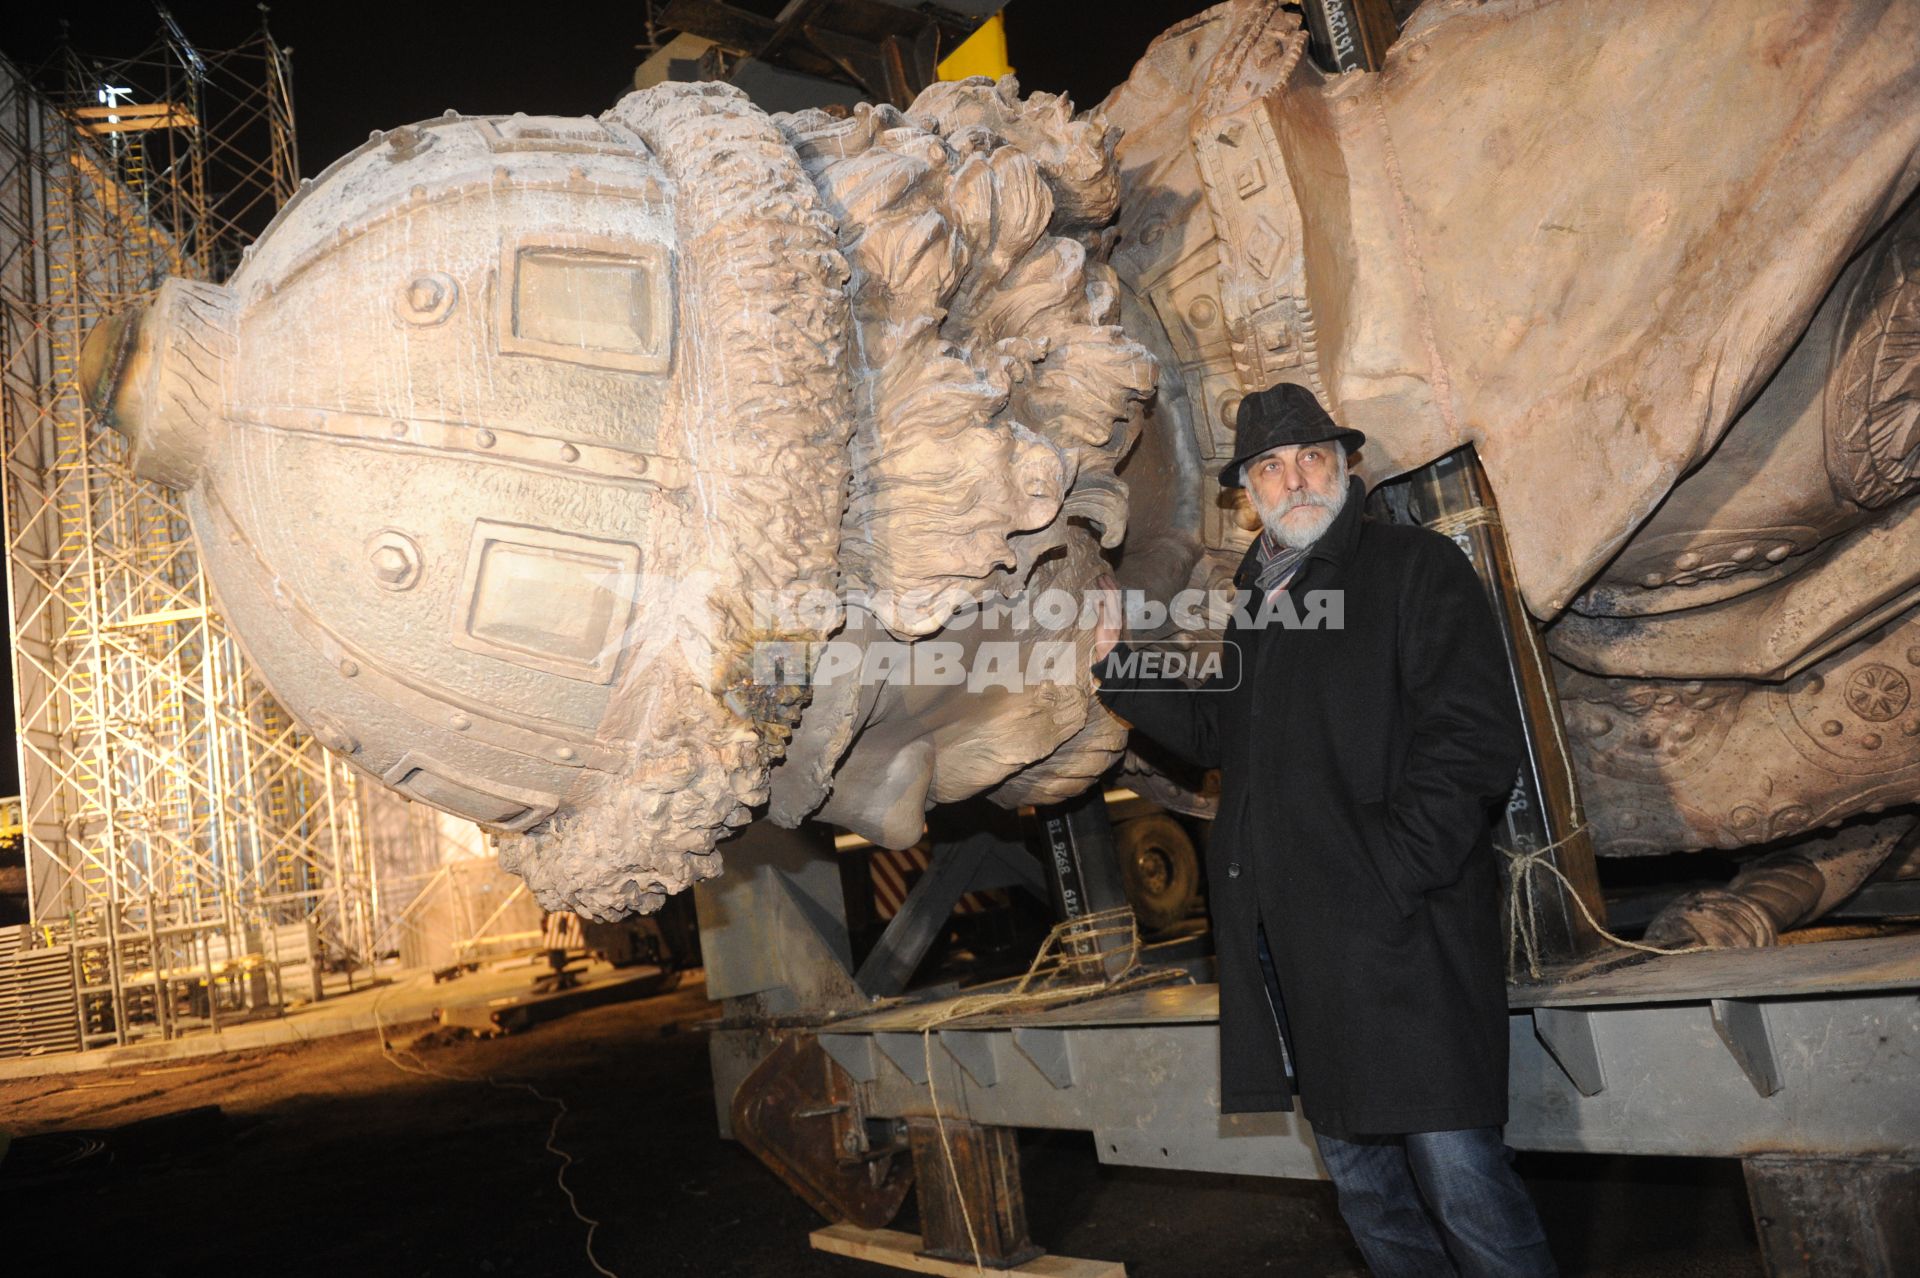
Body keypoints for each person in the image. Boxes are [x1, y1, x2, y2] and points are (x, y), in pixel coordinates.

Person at [1090, 382, 1556, 1277]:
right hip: (1294, 942)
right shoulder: (1262, 607)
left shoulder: (1410, 569)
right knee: (1368, 1194)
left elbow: (1471, 743)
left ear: (1346, 467)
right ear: (1248, 494)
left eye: (1311, 459)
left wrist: (1391, 869)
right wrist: (1118, 663)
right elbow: (1214, 734)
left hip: (1400, 937)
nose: (1293, 480)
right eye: (1270, 467)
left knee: (1465, 1189)